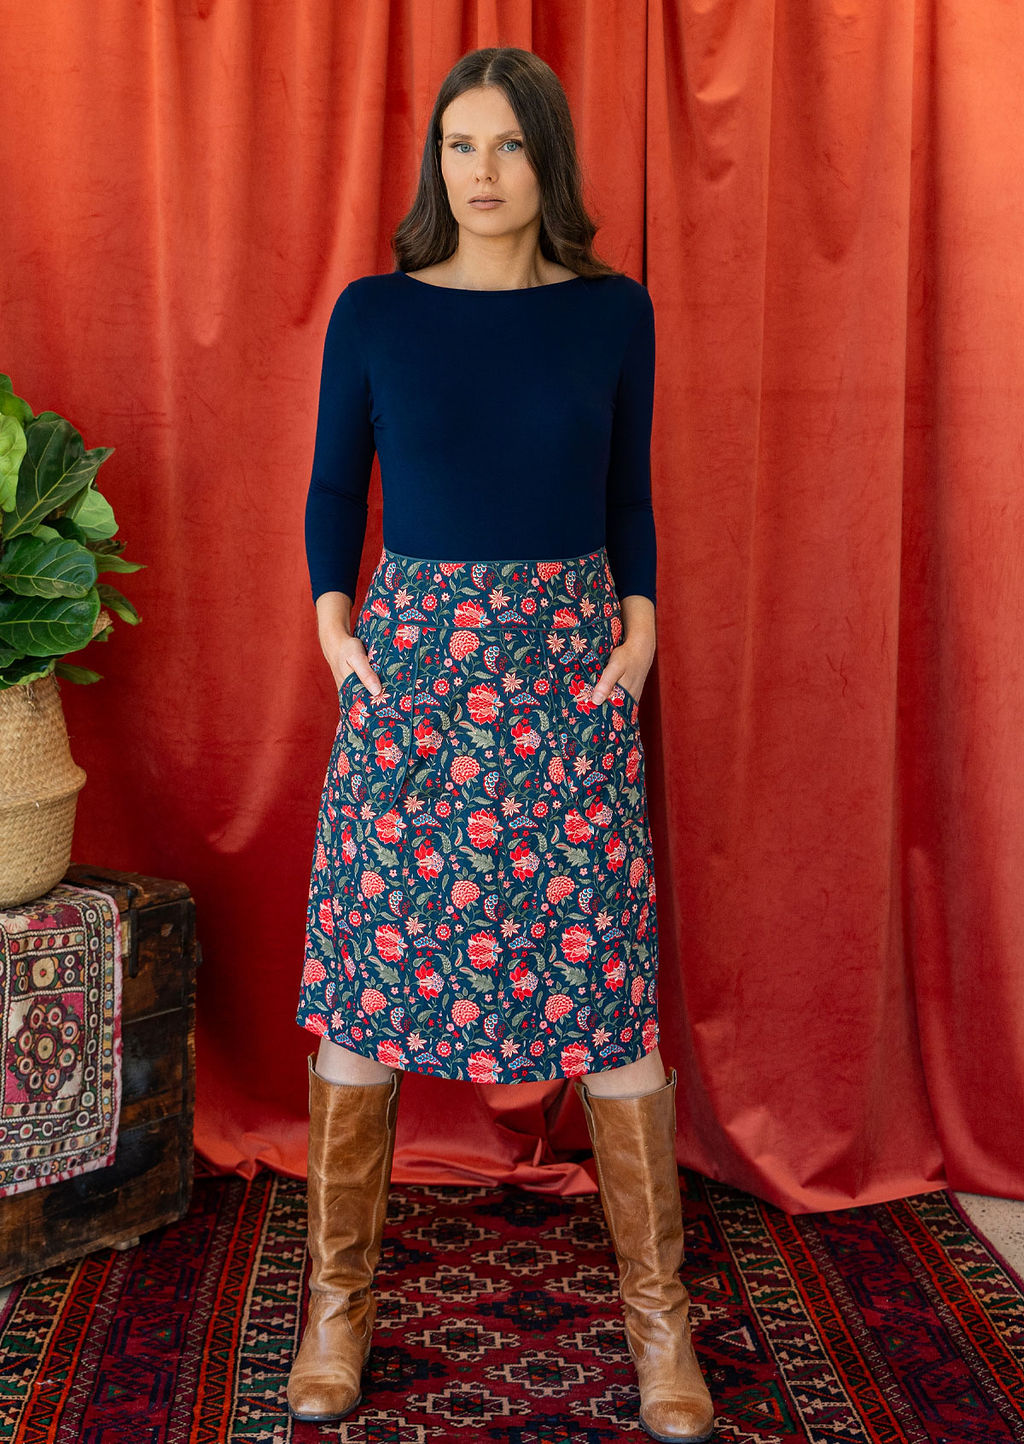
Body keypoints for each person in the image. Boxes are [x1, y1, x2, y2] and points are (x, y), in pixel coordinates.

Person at [287, 45, 716, 1444]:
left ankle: (663, 1330)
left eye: (509, 147)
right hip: (414, 679)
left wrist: (640, 632)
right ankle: (337, 1310)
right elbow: (332, 487)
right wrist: (343, 641)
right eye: (461, 148)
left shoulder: (612, 314)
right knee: (367, 993)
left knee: (610, 992)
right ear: (436, 168)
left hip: (568, 673)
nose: (483, 173)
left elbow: (629, 491)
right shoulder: (375, 312)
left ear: (549, 164)